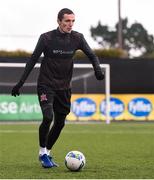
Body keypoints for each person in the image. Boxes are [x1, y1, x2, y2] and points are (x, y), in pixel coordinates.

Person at [11, 8, 104, 168]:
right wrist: (20, 83)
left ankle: (47, 151)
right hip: (46, 84)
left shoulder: (77, 38)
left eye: (73, 21)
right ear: (59, 21)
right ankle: (42, 153)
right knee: (48, 117)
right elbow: (32, 60)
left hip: (64, 87)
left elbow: (92, 55)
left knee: (60, 123)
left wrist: (97, 70)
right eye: (67, 21)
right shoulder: (46, 38)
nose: (71, 24)